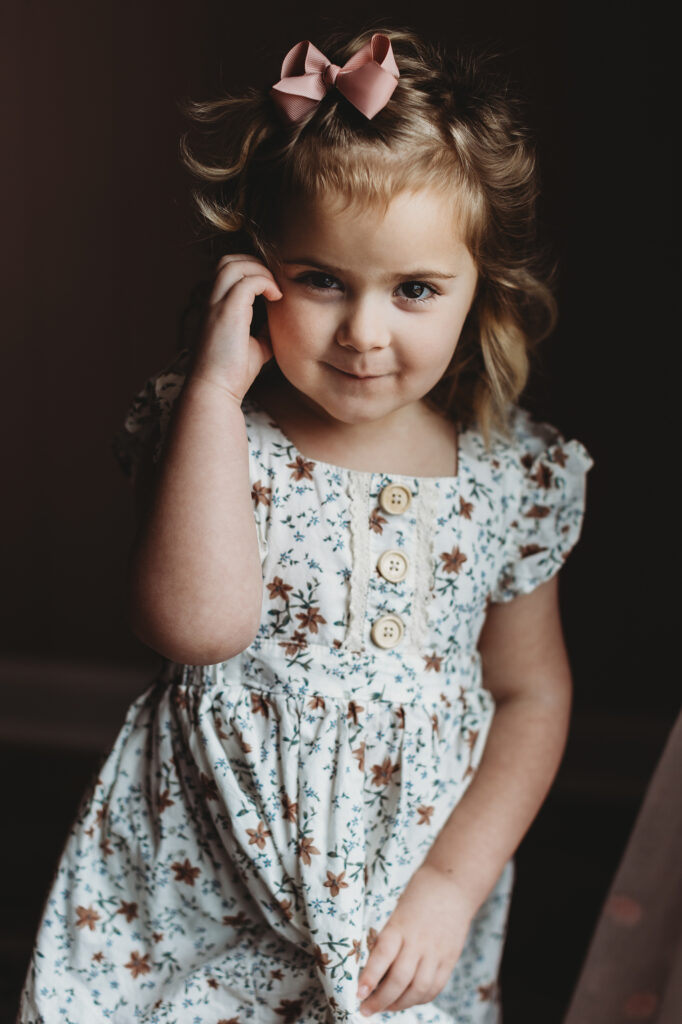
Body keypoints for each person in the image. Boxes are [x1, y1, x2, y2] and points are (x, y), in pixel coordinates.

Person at [18, 26, 593, 1024]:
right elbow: (198, 627)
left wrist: (452, 883)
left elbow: (529, 691)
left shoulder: (510, 475)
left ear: (475, 289)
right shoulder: (215, 436)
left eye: (413, 289)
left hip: (402, 900)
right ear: (255, 272)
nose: (364, 332)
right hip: (208, 890)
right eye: (322, 279)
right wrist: (211, 395)